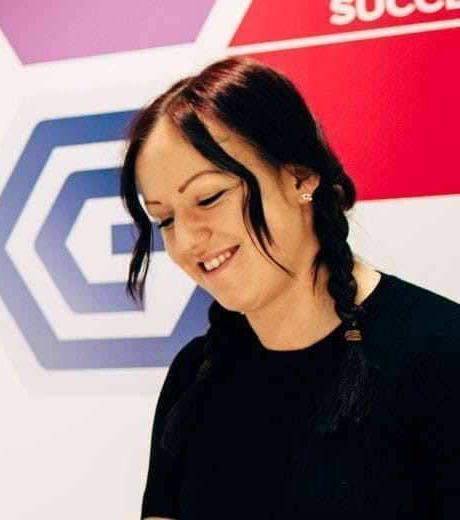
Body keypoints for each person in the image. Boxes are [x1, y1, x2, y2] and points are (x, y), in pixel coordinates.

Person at [128, 57, 460, 518]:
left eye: (208, 198)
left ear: (300, 176)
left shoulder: (440, 354)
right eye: (164, 219)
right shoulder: (195, 376)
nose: (185, 242)